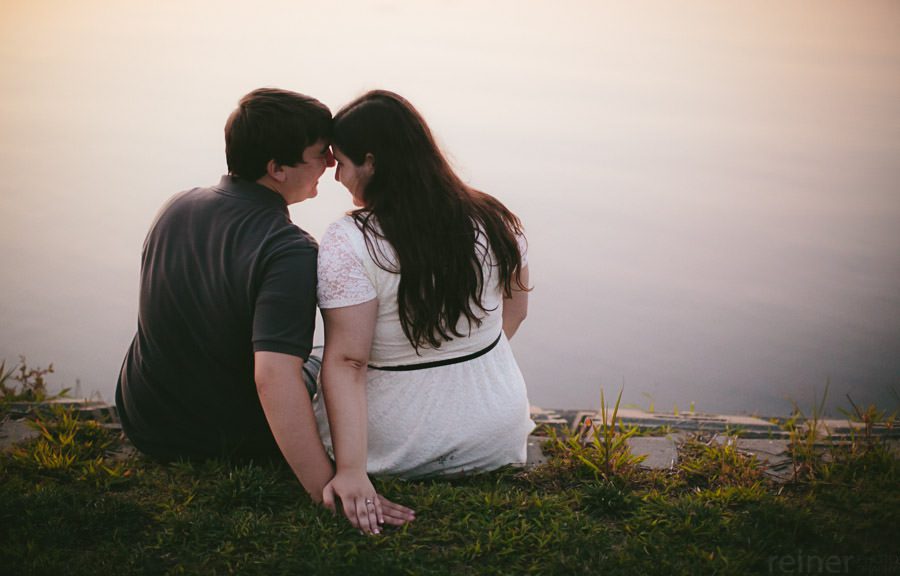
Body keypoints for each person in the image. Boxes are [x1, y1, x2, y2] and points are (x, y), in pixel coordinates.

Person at [115, 87, 414, 526]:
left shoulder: (177, 206)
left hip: (144, 417)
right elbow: (272, 378)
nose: (331, 162)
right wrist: (324, 489)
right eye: (318, 154)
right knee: (336, 363)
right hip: (221, 438)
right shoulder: (289, 250)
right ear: (276, 169)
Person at [314, 90, 535, 534]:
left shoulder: (349, 240)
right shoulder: (495, 217)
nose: (337, 176)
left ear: (372, 162)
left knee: (313, 361)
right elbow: (515, 314)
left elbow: (349, 361)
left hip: (393, 445)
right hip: (495, 436)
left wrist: (352, 471)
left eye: (341, 162)